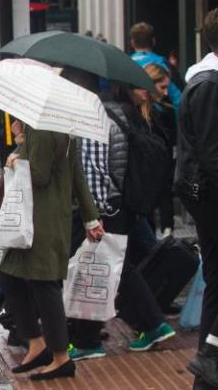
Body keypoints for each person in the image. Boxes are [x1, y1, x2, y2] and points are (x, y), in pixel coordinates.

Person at [62, 70, 175, 361]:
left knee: (109, 270)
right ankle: (94, 337)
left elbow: (96, 172)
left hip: (106, 208)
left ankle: (149, 325)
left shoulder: (93, 118)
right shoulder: (111, 112)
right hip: (118, 205)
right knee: (104, 269)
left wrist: (94, 215)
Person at [0, 121, 103, 381]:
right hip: (49, 217)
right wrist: (91, 218)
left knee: (44, 284)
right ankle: (38, 344)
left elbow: (39, 175)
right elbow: (77, 173)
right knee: (12, 275)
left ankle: (60, 357)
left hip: (40, 218)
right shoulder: (63, 125)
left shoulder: (41, 128)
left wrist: (16, 157)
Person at [180, 7, 218, 390]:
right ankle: (207, 367)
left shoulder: (203, 80)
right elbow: (211, 151)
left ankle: (209, 370)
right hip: (211, 199)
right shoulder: (209, 85)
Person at [143, 63, 178, 238]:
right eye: (162, 87)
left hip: (163, 161)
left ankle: (167, 228)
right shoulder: (142, 112)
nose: (165, 92)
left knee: (165, 193)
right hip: (148, 169)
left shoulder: (165, 105)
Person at [129, 22, 182, 116]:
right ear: (153, 41)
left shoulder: (125, 64)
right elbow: (178, 100)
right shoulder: (163, 65)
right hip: (160, 118)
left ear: (132, 43)